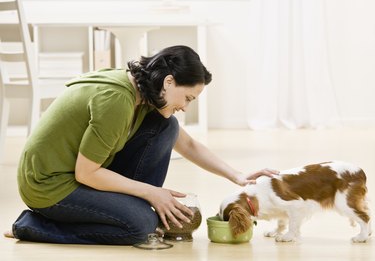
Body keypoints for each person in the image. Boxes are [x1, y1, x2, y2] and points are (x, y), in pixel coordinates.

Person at [4, 45, 278, 245]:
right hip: (49, 186)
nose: (185, 106)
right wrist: (151, 193)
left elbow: (189, 145)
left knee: (166, 125)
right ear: (169, 81)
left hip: (79, 173)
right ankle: (33, 226)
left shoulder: (145, 92)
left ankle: (133, 207)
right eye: (188, 98)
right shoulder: (116, 100)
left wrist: (237, 176)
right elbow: (85, 173)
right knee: (140, 227)